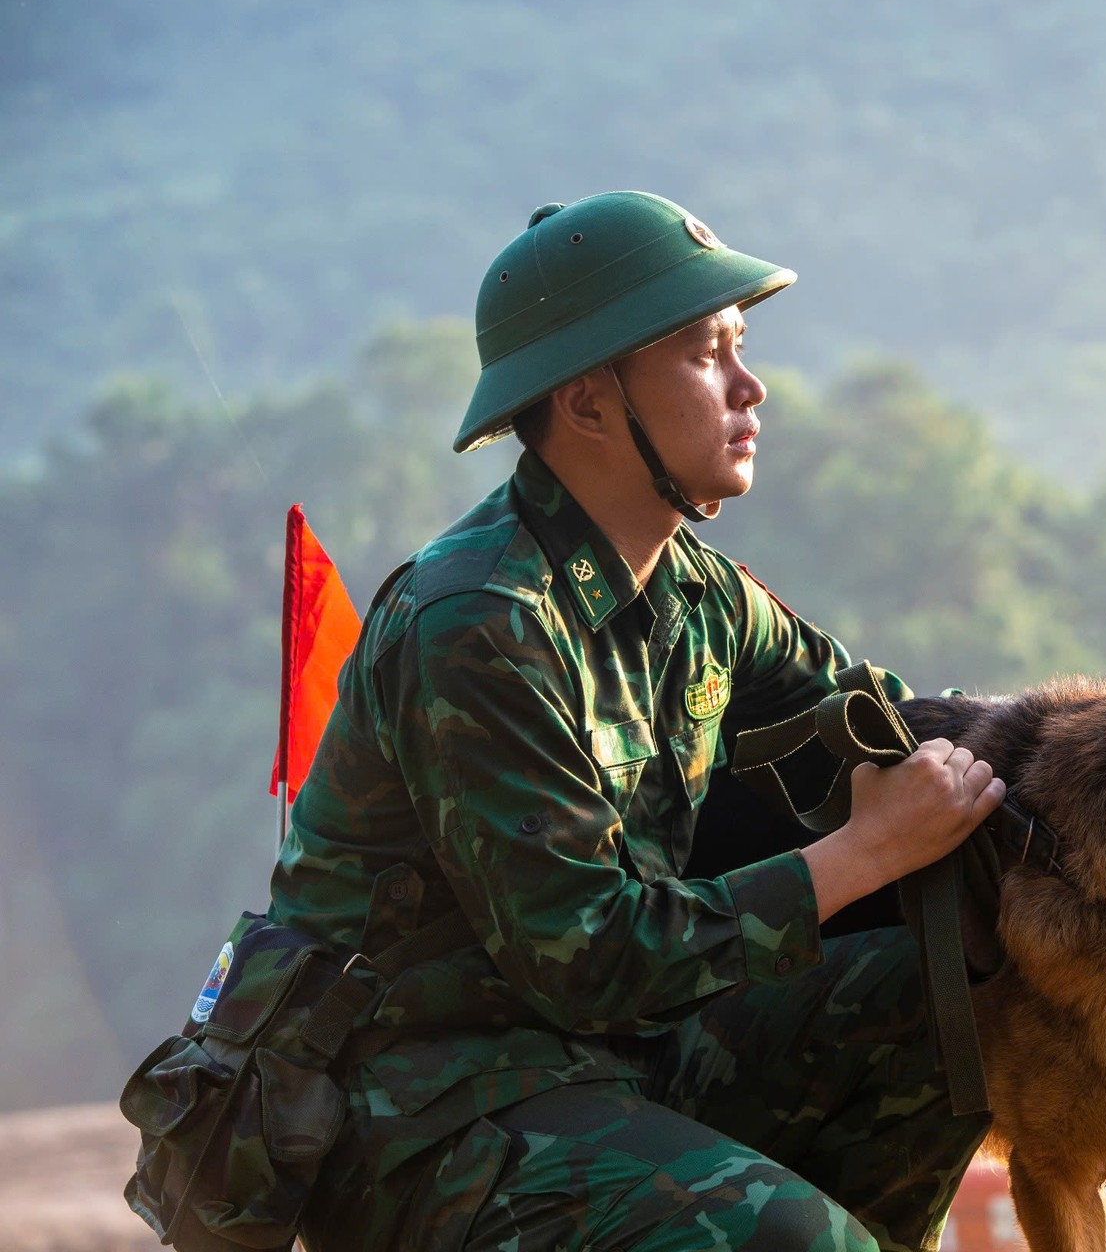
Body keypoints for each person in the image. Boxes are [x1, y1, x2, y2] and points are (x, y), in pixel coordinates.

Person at [269, 191, 1006, 1251]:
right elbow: (588, 957)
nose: (751, 387)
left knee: (953, 991)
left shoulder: (695, 593)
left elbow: (887, 725)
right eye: (708, 355)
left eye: (740, 347)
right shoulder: (481, 621)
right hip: (430, 1120)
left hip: (616, 1062)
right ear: (589, 404)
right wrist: (864, 853)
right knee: (789, 1243)